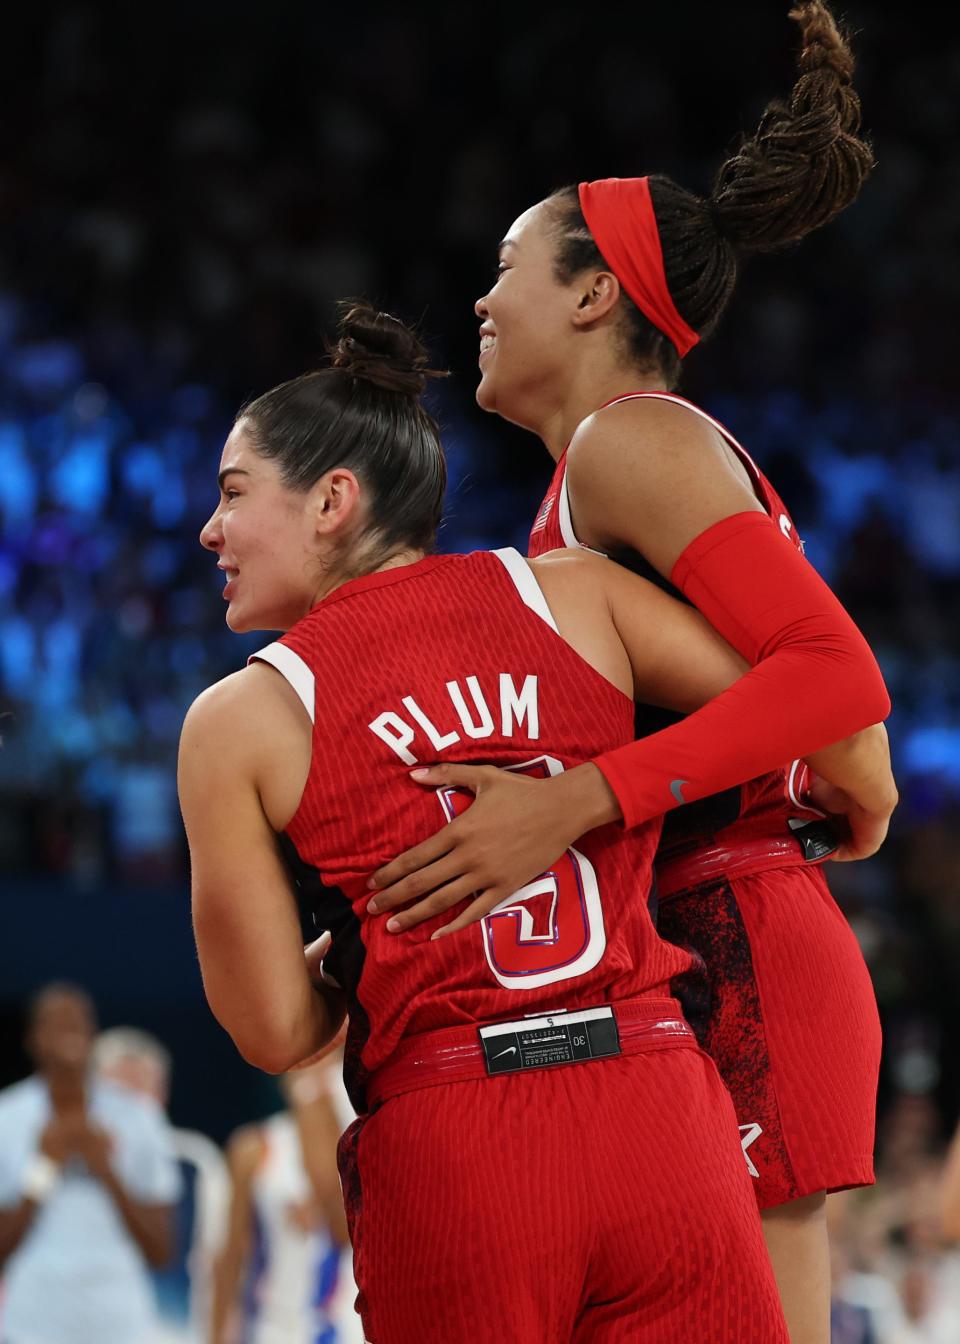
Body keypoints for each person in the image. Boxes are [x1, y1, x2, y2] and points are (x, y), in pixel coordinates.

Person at [362, 7, 896, 1343]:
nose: (480, 302)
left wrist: (578, 800)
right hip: (699, 925)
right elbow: (839, 738)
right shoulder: (606, 470)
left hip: (735, 924)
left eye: (508, 269)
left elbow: (840, 680)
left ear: (596, 294)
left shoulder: (627, 445)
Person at [177, 302, 803, 1342]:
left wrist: (351, 964)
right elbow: (792, 712)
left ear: (334, 500)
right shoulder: (577, 593)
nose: (210, 530)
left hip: (460, 1138)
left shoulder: (242, 717)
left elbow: (272, 1031)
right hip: (657, 1108)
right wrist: (601, 794)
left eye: (233, 494)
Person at [0, 983, 180, 1344]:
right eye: (56, 1023)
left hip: (120, 1325)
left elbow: (161, 1251)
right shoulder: (7, 1117)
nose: (70, 1033)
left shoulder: (139, 1118)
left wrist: (106, 1170)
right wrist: (44, 1168)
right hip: (32, 1325)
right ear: (33, 1038)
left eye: (80, 1023)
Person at [209, 1050, 362, 1344]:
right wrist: (216, 1335)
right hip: (271, 1327)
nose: (312, 1071)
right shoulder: (257, 1147)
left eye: (324, 1060)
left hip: (342, 1325)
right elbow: (231, 1255)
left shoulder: (362, 1146)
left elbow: (343, 1231)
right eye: (305, 1061)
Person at [94, 1025, 230, 1343]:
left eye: (140, 1089)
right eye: (118, 1091)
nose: (130, 1105)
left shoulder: (195, 1162)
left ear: (162, 1094)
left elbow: (221, 1259)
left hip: (173, 1332)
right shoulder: (69, 1165)